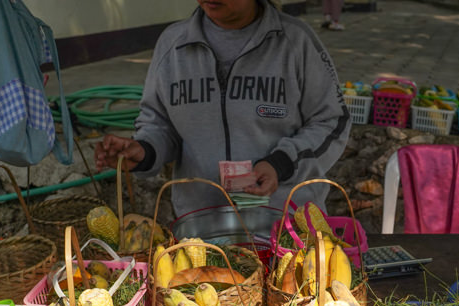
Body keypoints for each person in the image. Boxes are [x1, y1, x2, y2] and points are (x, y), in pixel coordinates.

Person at [95, 0, 351, 219]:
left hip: (287, 224)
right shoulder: (173, 46)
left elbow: (332, 121)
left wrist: (280, 163)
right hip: (202, 229)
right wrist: (144, 150)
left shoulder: (296, 42)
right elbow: (159, 124)